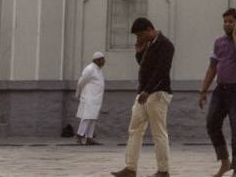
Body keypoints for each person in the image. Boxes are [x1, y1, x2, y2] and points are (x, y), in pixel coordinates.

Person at [110, 18, 174, 177]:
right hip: (144, 93)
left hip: (158, 93)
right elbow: (144, 66)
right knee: (135, 130)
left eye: (140, 35)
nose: (139, 38)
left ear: (148, 30)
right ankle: (130, 168)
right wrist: (139, 52)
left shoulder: (165, 44)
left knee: (158, 132)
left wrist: (148, 90)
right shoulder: (149, 45)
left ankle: (163, 170)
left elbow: (162, 70)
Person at [200, 8, 236, 177]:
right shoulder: (219, 42)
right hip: (221, 90)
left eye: (231, 21)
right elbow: (212, 67)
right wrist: (203, 90)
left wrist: (235, 37)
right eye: (225, 21)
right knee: (212, 124)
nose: (227, 24)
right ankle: (224, 162)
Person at [74, 51, 106, 145]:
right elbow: (81, 81)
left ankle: (89, 137)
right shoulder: (90, 69)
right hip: (89, 97)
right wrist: (79, 93)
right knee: (87, 117)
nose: (104, 61)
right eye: (102, 59)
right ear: (97, 60)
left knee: (93, 117)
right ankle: (80, 135)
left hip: (96, 97)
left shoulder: (98, 69)